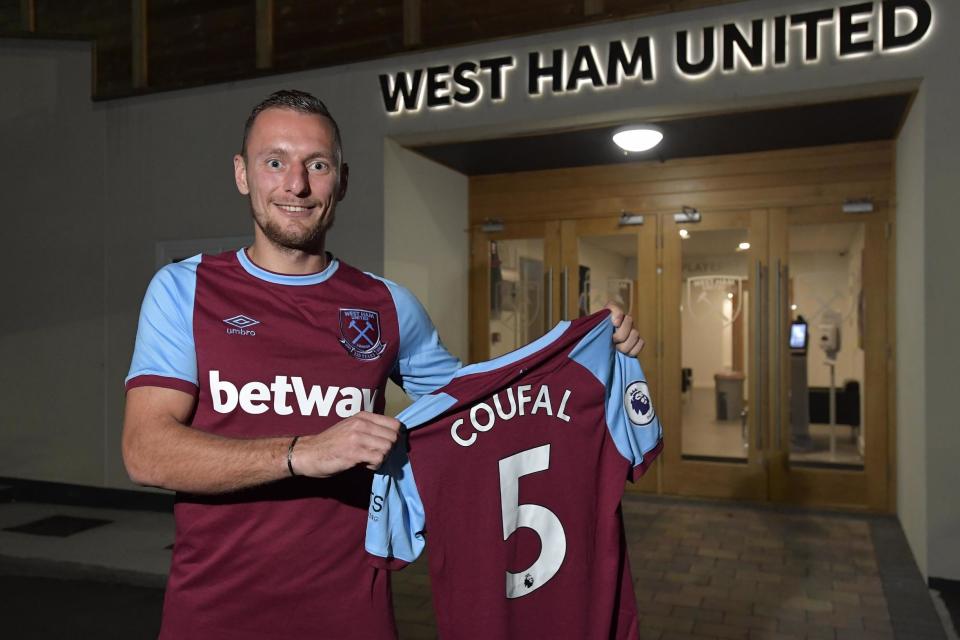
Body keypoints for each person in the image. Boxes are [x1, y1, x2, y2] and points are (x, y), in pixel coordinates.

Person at [122, 89, 646, 639]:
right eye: (274, 161)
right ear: (242, 174)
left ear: (341, 181)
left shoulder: (385, 305)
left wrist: (580, 353)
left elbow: (484, 408)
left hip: (353, 613)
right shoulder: (186, 289)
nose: (295, 184)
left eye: (316, 165)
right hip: (213, 614)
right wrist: (305, 453)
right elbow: (146, 452)